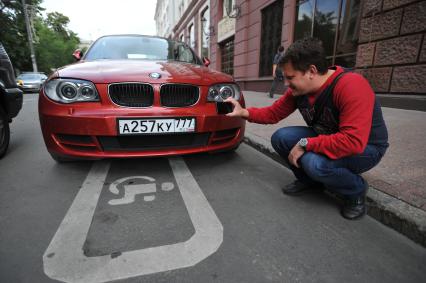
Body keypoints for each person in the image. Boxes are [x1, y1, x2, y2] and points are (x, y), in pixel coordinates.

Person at [225, 38, 389, 220]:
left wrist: (306, 144)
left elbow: (353, 142)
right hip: (329, 136)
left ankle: (355, 191)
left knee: (313, 162)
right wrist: (243, 112)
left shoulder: (351, 85)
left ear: (311, 71)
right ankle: (311, 182)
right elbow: (273, 113)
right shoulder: (299, 91)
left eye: (290, 77)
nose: (285, 84)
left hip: (367, 149)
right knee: (281, 137)